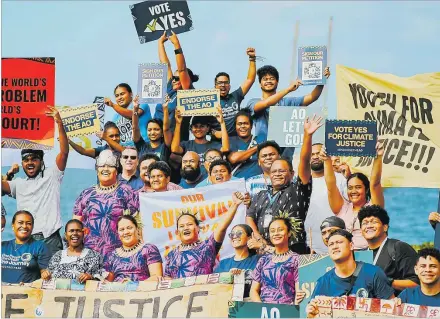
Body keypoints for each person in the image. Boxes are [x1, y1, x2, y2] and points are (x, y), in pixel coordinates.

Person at [246, 115, 322, 254]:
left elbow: (304, 161)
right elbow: (249, 216)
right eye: (274, 171)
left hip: (293, 253)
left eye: (282, 171)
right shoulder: (260, 195)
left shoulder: (298, 190)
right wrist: (257, 237)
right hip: (264, 255)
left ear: (292, 174)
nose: (277, 174)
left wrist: (307, 135)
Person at [2, 106, 69, 256]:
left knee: (51, 279)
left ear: (41, 160)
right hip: (26, 240)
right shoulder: (18, 184)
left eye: (34, 159)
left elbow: (64, 153)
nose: (30, 162)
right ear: (22, 163)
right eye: (26, 160)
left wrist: (59, 123)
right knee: (26, 280)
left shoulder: (52, 175)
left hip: (50, 239)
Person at [306, 229, 395, 318]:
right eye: (331, 244)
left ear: (351, 245)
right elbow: (312, 313)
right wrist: (311, 314)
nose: (335, 246)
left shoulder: (373, 273)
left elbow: (392, 309)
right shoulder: (323, 282)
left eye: (339, 242)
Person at [73, 150, 140, 261]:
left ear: (116, 170)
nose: (105, 169)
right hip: (89, 254)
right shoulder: (86, 194)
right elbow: (76, 225)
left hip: (119, 255)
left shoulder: (127, 191)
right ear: (96, 170)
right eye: (102, 166)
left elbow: (138, 223)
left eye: (110, 166)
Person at [164, 191, 245, 279]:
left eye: (189, 224)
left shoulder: (207, 247)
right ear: (177, 232)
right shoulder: (171, 255)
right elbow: (167, 278)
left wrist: (235, 204)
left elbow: (221, 227)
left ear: (198, 228)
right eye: (181, 226)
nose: (186, 228)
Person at [320, 143, 385, 250]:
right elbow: (331, 185)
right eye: (350, 187)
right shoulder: (342, 207)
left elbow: (375, 183)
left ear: (366, 189)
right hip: (346, 255)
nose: (353, 191)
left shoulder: (374, 207)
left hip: (370, 253)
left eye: (358, 187)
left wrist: (378, 157)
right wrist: (327, 160)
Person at [246, 65, 330, 140]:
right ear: (260, 84)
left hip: (283, 153)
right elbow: (267, 103)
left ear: (277, 82)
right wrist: (288, 89)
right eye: (265, 79)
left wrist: (321, 79)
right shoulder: (253, 102)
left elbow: (313, 97)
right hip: (262, 150)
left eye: (272, 78)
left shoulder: (287, 102)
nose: (268, 81)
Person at [359, 205, 419, 295]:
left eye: (374, 222)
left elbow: (417, 283)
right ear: (361, 230)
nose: (369, 226)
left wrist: (387, 281)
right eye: (365, 223)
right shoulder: (361, 255)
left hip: (394, 306)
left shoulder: (398, 248)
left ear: (385, 227)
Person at [155, 31, 198, 141]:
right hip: (159, 138)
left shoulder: (186, 92)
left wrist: (176, 44)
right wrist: (160, 43)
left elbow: (182, 69)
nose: (174, 80)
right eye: (173, 77)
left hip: (177, 141)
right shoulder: (170, 87)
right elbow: (165, 65)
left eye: (178, 78)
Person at [304, 143, 347, 254]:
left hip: (337, 244)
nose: (314, 157)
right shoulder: (302, 183)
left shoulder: (340, 178)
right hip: (310, 246)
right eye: (311, 154)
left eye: (318, 153)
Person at [250, 217, 301, 305]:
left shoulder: (296, 259)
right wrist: (262, 308)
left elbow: (299, 292)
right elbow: (253, 290)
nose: (276, 233)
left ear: (289, 233)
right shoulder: (263, 260)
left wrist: (294, 311)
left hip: (287, 312)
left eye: (280, 230)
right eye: (272, 231)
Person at [210, 48, 257, 138]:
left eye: (226, 82)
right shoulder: (209, 101)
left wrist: (252, 58)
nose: (223, 85)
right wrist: (213, 133)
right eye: (219, 83)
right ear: (215, 86)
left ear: (229, 86)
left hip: (237, 139)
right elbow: (202, 124)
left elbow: (250, 80)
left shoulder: (236, 96)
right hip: (218, 143)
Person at [105, 216, 163, 282]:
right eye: (122, 229)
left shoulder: (148, 249)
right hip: (118, 292)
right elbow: (107, 283)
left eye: (129, 228)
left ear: (137, 229)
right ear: (118, 233)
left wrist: (133, 285)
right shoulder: (112, 256)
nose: (126, 232)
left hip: (144, 291)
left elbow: (156, 278)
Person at [1, 211, 51, 284]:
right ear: (13, 226)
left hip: (27, 292)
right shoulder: (3, 246)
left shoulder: (40, 247)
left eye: (28, 223)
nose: (24, 226)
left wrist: (45, 274)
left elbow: (45, 272)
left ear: (32, 227)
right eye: (20, 222)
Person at [214, 224, 259, 297]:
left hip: (251, 305)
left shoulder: (259, 259)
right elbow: (215, 288)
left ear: (249, 238)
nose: (234, 236)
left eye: (239, 233)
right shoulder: (223, 263)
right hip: (227, 304)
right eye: (232, 234)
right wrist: (229, 277)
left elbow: (280, 258)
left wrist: (261, 246)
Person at [133, 95, 172, 162]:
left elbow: (166, 129)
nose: (152, 132)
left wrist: (165, 108)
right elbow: (135, 127)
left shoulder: (165, 146)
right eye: (149, 130)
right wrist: (135, 109)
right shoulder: (142, 146)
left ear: (162, 133)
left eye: (156, 129)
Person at [227, 111, 266, 179]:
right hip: (237, 182)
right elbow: (233, 159)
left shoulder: (260, 139)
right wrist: (257, 147)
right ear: (235, 126)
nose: (243, 126)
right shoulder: (230, 141)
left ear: (251, 125)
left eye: (246, 123)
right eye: (239, 124)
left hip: (258, 182)